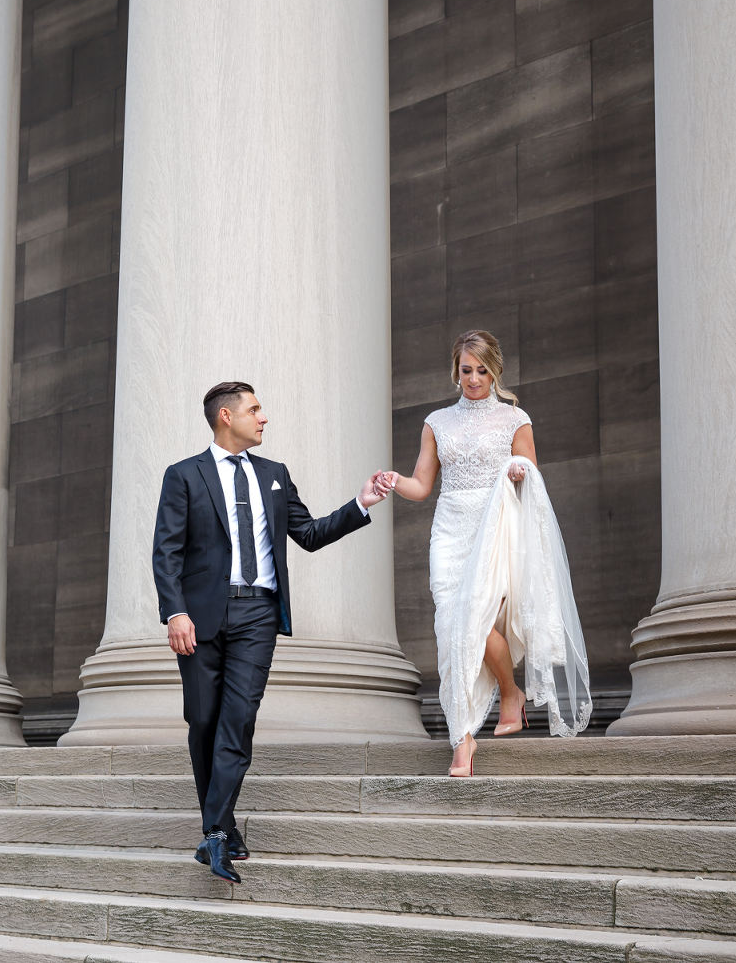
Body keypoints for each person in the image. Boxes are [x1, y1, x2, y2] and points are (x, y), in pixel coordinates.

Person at [155, 381, 392, 882]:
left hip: (258, 615)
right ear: (226, 416)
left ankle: (215, 835)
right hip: (199, 619)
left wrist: (361, 502)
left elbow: (306, 534)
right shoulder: (183, 476)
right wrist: (175, 613)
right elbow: (167, 552)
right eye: (255, 410)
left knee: (237, 720)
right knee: (203, 722)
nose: (264, 418)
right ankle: (222, 826)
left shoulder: (275, 475)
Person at [385, 331, 591, 776]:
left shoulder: (515, 419)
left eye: (482, 370)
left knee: (471, 625)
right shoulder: (436, 422)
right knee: (450, 625)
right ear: (455, 371)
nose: (474, 378)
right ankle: (495, 706)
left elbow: (530, 476)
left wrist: (519, 470)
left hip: (494, 530)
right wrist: (392, 481)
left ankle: (470, 732)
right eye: (466, 370)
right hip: (450, 532)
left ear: (495, 370)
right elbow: (421, 486)